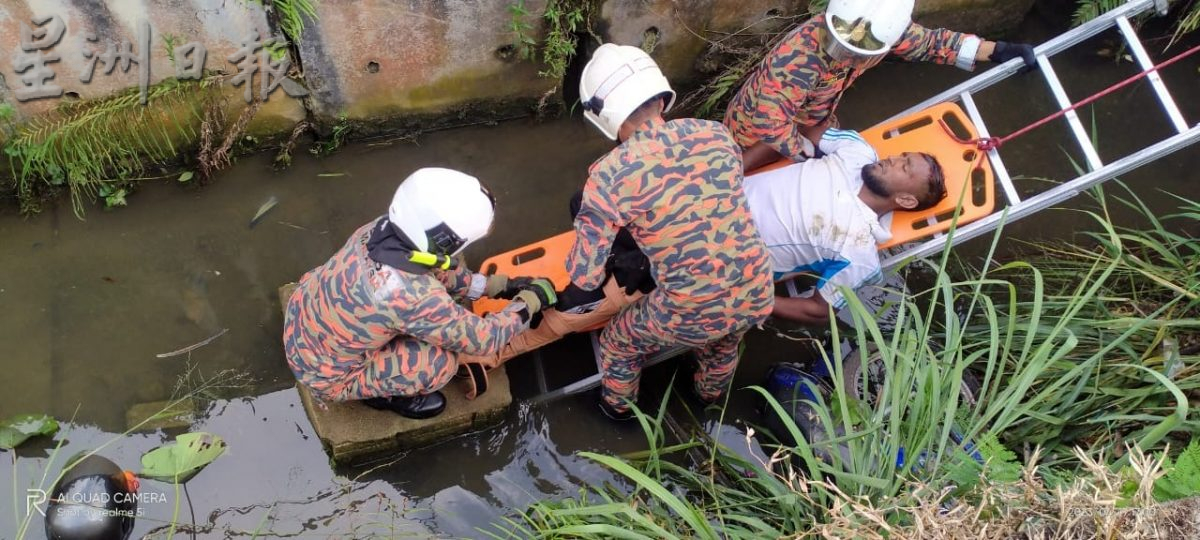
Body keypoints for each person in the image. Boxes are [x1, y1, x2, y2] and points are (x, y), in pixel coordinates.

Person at [570, 43, 775, 421]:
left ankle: (619, 411)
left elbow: (584, 274)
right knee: (724, 343)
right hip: (758, 288)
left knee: (618, 343)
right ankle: (706, 398)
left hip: (692, 308)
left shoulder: (608, 174)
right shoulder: (715, 134)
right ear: (662, 98)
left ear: (605, 119)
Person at [282, 167, 557, 419]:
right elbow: (485, 339)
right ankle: (384, 396)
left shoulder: (378, 230)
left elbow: (435, 266)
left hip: (302, 319)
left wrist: (491, 286)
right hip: (325, 376)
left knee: (429, 288)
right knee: (441, 363)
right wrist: (527, 303)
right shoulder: (414, 296)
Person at [725, 0, 1037, 172]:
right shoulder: (799, 58)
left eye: (858, 52)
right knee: (741, 170)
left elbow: (934, 43)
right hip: (752, 129)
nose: (844, 55)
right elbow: (769, 119)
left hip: (813, 116)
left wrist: (995, 50)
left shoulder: (883, 29)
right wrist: (804, 153)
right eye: (841, 45)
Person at [745, 121, 946, 324]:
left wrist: (749, 302)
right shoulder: (858, 152)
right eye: (902, 156)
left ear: (906, 200)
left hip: (727, 251)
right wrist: (736, 166)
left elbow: (818, 311)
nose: (892, 158)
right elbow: (799, 130)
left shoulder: (859, 253)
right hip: (724, 192)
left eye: (904, 167)